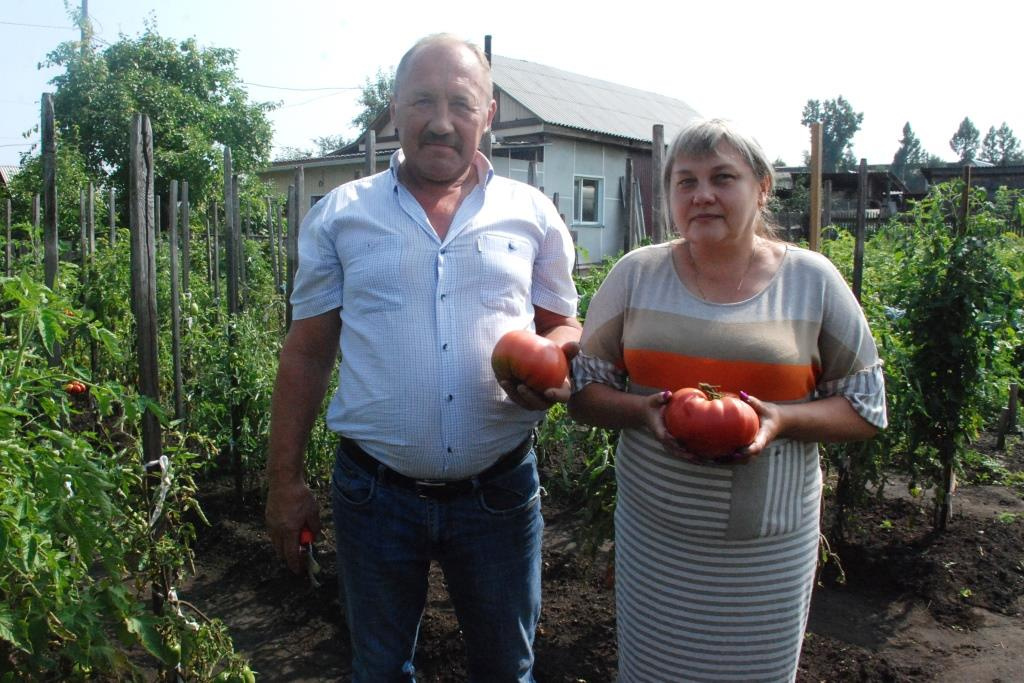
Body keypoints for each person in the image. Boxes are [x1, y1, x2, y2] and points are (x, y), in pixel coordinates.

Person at [263, 33, 580, 682]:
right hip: (374, 494)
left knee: (504, 667)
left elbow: (565, 326)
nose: (441, 122)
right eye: (422, 102)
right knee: (379, 668)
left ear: (488, 114)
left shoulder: (534, 214)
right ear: (394, 110)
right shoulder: (341, 215)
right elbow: (306, 353)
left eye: (461, 104)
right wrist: (283, 481)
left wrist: (554, 361)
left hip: (499, 492)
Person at [567, 118, 887, 682]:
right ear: (668, 195)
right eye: (685, 181)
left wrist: (781, 420)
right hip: (656, 538)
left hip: (767, 548)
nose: (703, 195)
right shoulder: (635, 276)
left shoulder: (811, 281)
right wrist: (642, 412)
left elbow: (865, 407)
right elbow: (585, 395)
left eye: (722, 177)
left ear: (762, 187)